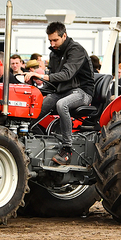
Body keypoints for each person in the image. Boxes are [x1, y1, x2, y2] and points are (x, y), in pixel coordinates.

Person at [25, 21, 94, 165]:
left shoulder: (76, 50)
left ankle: (67, 149)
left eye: (55, 40)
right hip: (63, 91)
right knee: (36, 107)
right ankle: (36, 140)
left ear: (64, 36)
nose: (52, 43)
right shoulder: (54, 53)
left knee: (62, 104)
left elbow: (67, 74)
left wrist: (42, 76)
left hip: (81, 92)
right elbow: (55, 80)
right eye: (50, 40)